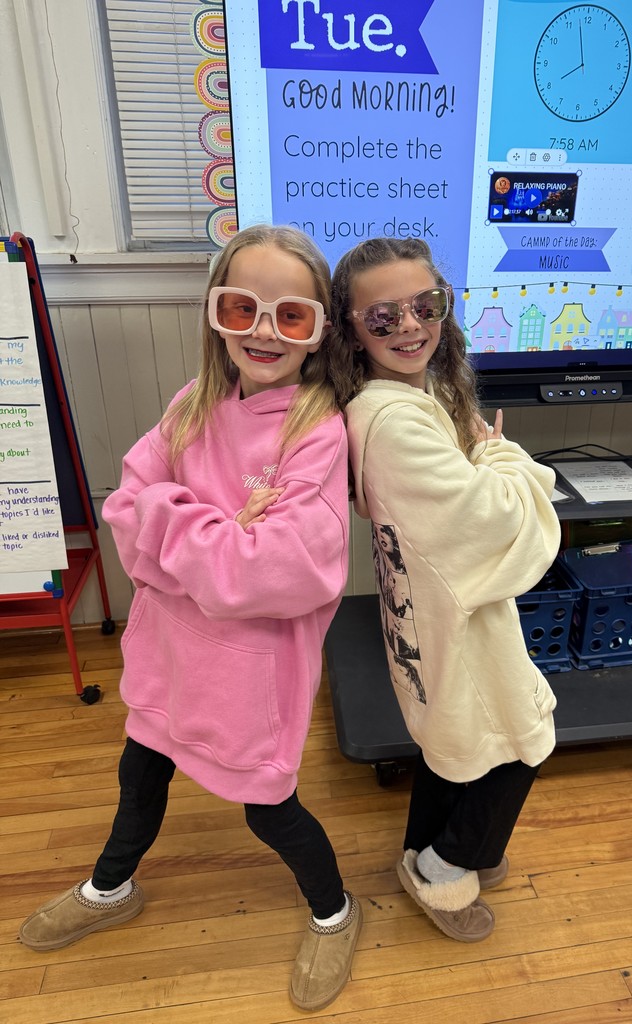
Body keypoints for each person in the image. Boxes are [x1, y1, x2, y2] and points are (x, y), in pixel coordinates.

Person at [19, 224, 362, 1012]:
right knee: (140, 776)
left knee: (268, 810)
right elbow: (124, 508)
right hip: (168, 655)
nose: (264, 332)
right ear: (217, 315)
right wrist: (217, 528)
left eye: (291, 315)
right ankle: (111, 888)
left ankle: (334, 910)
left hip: (251, 680)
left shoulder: (317, 433)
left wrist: (176, 528)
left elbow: (275, 571)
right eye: (242, 308)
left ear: (319, 331)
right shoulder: (195, 401)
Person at [327, 236, 561, 943]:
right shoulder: (394, 422)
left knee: (450, 738)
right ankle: (446, 865)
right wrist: (506, 457)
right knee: (522, 740)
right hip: (455, 612)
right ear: (350, 329)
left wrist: (482, 463)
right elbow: (495, 520)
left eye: (425, 305)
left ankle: (435, 847)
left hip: (435, 613)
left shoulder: (403, 396)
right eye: (382, 317)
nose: (409, 326)